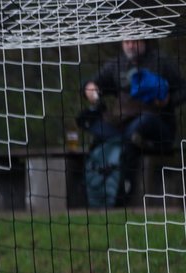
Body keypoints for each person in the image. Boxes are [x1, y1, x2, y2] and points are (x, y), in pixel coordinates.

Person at [79, 38, 185, 206]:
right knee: (90, 123)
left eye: (135, 41)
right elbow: (90, 83)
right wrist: (89, 88)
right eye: (127, 41)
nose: (130, 45)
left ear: (144, 42)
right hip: (121, 124)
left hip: (156, 124)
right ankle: (97, 190)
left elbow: (183, 89)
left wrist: (167, 100)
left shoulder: (161, 62)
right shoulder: (116, 65)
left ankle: (124, 190)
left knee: (142, 123)